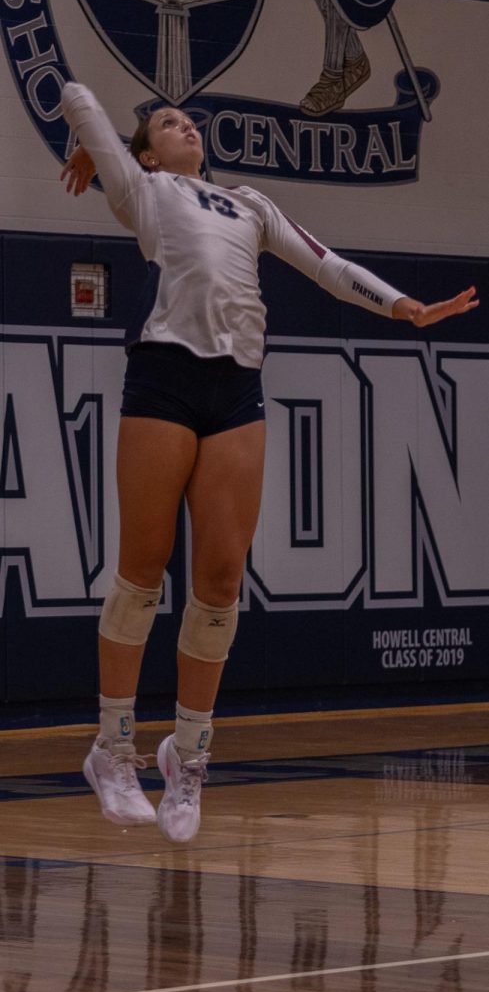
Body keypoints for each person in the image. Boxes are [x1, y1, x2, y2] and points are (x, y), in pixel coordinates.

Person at [60, 81, 478, 842]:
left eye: (187, 119)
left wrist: (402, 307)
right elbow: (76, 92)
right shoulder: (146, 190)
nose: (185, 125)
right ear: (148, 152)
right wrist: (88, 146)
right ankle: (112, 750)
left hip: (236, 387)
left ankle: (187, 758)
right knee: (142, 572)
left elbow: (324, 263)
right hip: (163, 376)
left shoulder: (249, 203)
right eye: (166, 123)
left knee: (220, 581)